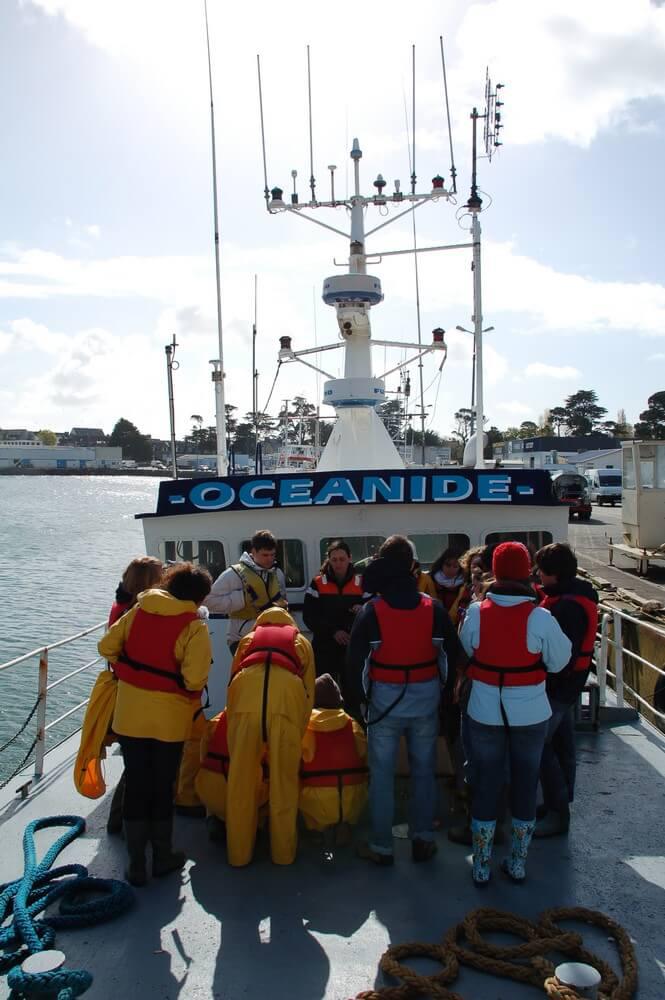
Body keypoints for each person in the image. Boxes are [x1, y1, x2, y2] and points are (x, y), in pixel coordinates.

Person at [345, 535, 462, 866]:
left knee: (381, 775)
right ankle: (423, 839)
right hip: (426, 700)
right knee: (423, 771)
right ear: (412, 566)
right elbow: (450, 657)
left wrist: (359, 705)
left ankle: (382, 846)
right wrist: (444, 696)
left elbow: (355, 666)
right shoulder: (434, 608)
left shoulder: (371, 612)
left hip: (384, 702)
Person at [459, 542, 571, 886]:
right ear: (527, 572)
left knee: (487, 783)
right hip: (531, 713)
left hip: (484, 710)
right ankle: (518, 864)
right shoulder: (541, 617)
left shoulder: (476, 612)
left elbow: (466, 649)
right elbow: (559, 661)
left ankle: (480, 865)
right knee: (525, 784)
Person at [98, 562, 213, 887]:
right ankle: (162, 857)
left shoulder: (139, 610)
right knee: (162, 787)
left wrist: (132, 671)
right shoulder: (193, 626)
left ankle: (135, 864)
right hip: (169, 721)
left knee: (136, 782)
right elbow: (194, 679)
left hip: (130, 716)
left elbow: (106, 647)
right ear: (199, 597)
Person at [225, 606, 315, 866]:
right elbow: (308, 692)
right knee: (283, 781)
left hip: (245, 702)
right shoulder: (301, 642)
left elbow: (232, 682)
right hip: (286, 705)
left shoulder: (248, 640)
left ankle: (238, 855)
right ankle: (283, 854)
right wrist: (298, 730)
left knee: (241, 781)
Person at [534, 542, 599, 837]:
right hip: (570, 686)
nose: (538, 576)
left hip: (558, 689)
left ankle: (558, 812)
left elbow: (561, 656)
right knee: (562, 744)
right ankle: (556, 804)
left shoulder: (565, 607)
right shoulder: (576, 596)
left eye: (542, 572)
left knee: (540, 746)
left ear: (555, 575)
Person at [105, 556, 164, 835]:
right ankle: (124, 822)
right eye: (161, 574)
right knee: (139, 762)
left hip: (126, 687)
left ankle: (121, 820)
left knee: (136, 760)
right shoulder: (135, 611)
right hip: (136, 691)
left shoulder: (121, 605)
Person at [299, 673, 368, 844]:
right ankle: (343, 821)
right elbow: (364, 755)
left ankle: (318, 828)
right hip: (352, 799)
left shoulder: (306, 728)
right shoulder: (353, 725)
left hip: (317, 799)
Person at [205, 529, 287, 654]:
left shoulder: (277, 574)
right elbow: (209, 601)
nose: (269, 559)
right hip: (241, 639)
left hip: (272, 637)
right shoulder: (234, 574)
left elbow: (282, 599)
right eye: (265, 555)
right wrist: (241, 599)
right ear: (253, 552)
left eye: (272, 555)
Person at [195, 709, 269, 842]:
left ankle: (215, 820)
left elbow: (203, 758)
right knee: (277, 784)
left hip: (209, 791)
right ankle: (257, 825)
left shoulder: (216, 720)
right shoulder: (266, 724)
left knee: (210, 778)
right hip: (245, 796)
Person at [303, 540, 365, 680]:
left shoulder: (361, 583)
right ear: (329, 560)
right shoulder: (318, 584)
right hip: (324, 648)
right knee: (325, 694)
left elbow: (372, 612)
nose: (338, 563)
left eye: (342, 559)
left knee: (352, 694)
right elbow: (309, 616)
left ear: (350, 558)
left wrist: (363, 609)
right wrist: (334, 632)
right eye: (334, 560)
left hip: (352, 648)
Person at [430, 547, 467, 626]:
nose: (451, 569)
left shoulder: (465, 583)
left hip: (457, 624)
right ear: (441, 564)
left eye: (455, 566)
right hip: (436, 623)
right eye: (448, 565)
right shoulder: (431, 579)